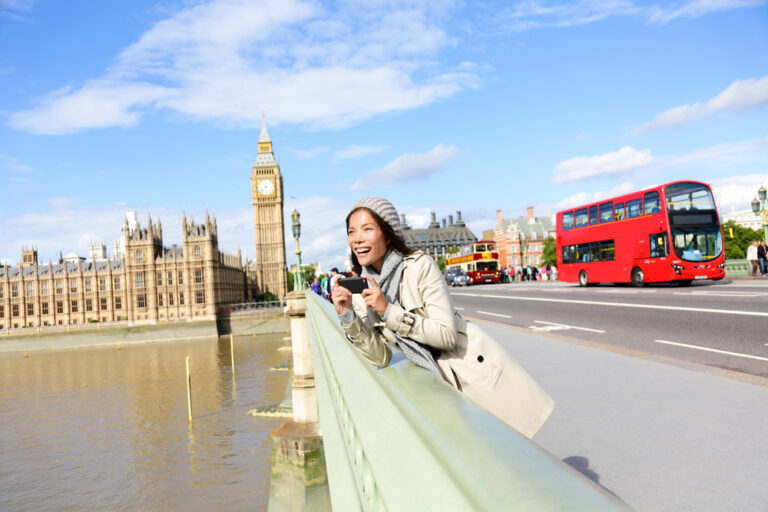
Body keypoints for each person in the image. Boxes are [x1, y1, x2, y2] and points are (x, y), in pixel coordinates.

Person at [332, 197, 553, 438]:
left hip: (471, 374)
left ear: (387, 234)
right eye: (351, 231)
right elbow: (381, 356)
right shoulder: (365, 288)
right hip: (436, 388)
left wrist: (389, 311)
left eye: (367, 229)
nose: (357, 239)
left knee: (512, 457)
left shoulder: (420, 267)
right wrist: (347, 316)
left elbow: (446, 336)